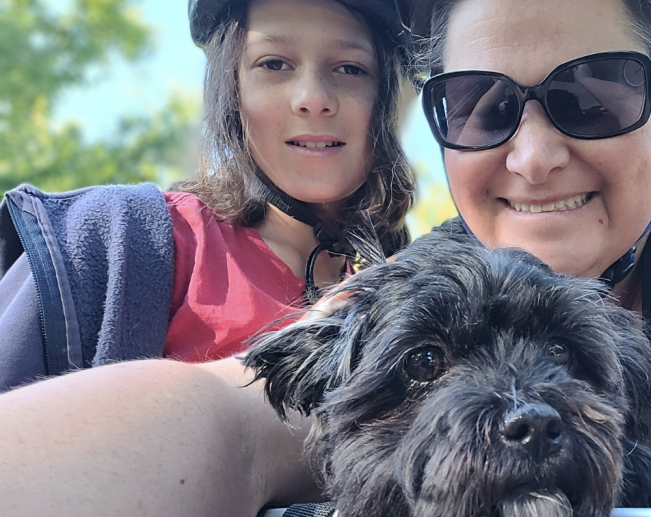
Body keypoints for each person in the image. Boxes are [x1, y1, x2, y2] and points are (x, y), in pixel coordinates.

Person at [0, 0, 651, 516]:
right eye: (481, 104)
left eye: (594, 91)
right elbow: (222, 411)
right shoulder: (408, 284)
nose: (535, 154)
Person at [0, 0, 415, 390]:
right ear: (231, 91)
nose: (313, 99)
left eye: (350, 69)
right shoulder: (112, 239)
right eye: (273, 64)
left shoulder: (409, 295)